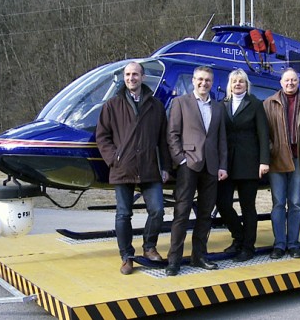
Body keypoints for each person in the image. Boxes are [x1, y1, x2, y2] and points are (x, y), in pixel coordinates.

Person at [96, 61, 172, 275]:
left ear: (143, 77)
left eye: (135, 74)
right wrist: (114, 158)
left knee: (157, 210)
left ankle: (149, 247)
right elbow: (102, 137)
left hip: (149, 167)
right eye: (128, 75)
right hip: (123, 168)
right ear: (124, 77)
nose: (131, 78)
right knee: (123, 214)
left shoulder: (155, 105)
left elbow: (162, 140)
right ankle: (126, 256)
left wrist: (165, 166)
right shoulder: (112, 105)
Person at [166, 66, 228, 276]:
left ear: (212, 82)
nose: (204, 83)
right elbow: (172, 134)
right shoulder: (180, 103)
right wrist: (180, 160)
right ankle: (174, 260)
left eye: (208, 80)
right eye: (200, 79)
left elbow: (221, 139)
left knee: (205, 214)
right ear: (193, 80)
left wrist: (222, 165)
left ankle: (198, 256)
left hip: (211, 167)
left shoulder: (218, 107)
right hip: (188, 166)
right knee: (181, 214)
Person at [263, 68, 300, 259]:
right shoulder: (268, 103)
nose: (290, 83)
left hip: (298, 158)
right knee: (278, 202)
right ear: (280, 82)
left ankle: (294, 244)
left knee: (295, 202)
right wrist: (271, 151)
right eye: (287, 80)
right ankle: (279, 244)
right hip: (277, 159)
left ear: (298, 82)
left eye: (294, 80)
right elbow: (264, 134)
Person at [216, 69, 270, 262]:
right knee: (222, 203)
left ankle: (248, 247)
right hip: (227, 164)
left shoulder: (255, 104)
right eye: (234, 81)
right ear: (229, 85)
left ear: (247, 85)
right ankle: (238, 237)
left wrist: (264, 161)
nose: (237, 84)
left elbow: (264, 134)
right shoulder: (222, 105)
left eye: (241, 81)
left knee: (248, 207)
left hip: (249, 163)